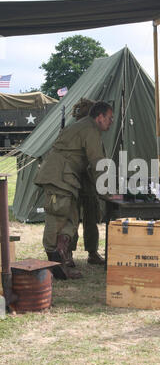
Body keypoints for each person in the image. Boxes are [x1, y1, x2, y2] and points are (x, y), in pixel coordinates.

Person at [34, 101, 113, 279]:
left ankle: (59, 261)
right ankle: (54, 263)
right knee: (58, 217)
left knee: (71, 219)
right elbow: (97, 162)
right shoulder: (90, 129)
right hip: (60, 177)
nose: (111, 121)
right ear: (99, 117)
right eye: (110, 118)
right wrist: (106, 190)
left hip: (65, 178)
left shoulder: (84, 126)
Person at [69, 98, 106, 267]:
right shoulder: (78, 130)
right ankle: (68, 253)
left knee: (89, 216)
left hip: (87, 180)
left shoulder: (90, 131)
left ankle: (90, 252)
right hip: (76, 178)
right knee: (73, 218)